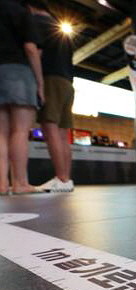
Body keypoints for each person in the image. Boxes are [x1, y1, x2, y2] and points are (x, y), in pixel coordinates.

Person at [26, 0, 75, 193]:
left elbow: (36, 52)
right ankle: (66, 179)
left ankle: (61, 178)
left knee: (49, 126)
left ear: (30, 7)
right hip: (67, 82)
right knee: (63, 133)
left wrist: (37, 81)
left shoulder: (36, 23)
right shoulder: (59, 29)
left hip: (51, 78)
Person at [0, 0, 44, 195]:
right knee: (20, 130)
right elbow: (31, 49)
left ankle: (1, 184)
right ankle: (20, 183)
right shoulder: (20, 11)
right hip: (18, 71)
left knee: (0, 133)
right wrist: (40, 83)